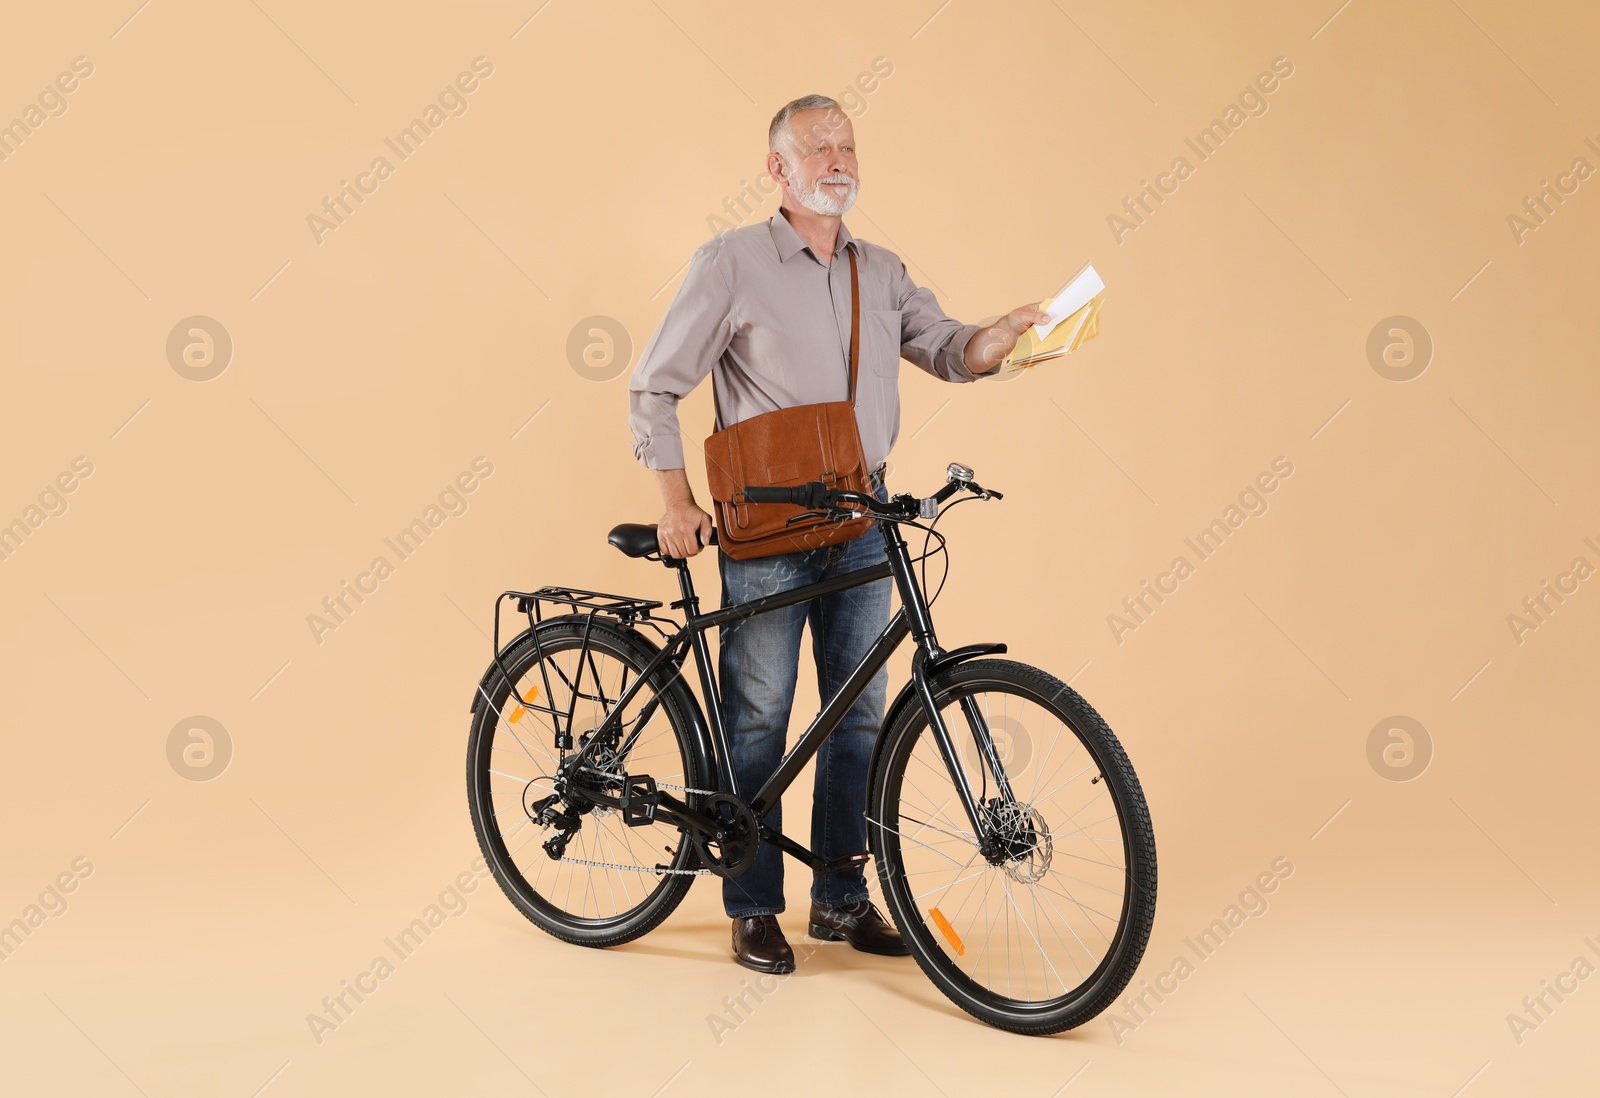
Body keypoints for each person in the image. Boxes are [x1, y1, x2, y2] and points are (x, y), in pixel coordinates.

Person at [627, 93, 1047, 975]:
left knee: (857, 718)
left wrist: (998, 338)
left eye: (846, 144)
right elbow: (656, 387)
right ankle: (751, 905)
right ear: (778, 169)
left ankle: (841, 900)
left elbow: (948, 349)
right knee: (758, 718)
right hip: (770, 525)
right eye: (815, 147)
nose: (835, 158)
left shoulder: (882, 270)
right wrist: (676, 501)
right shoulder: (732, 261)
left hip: (862, 517)